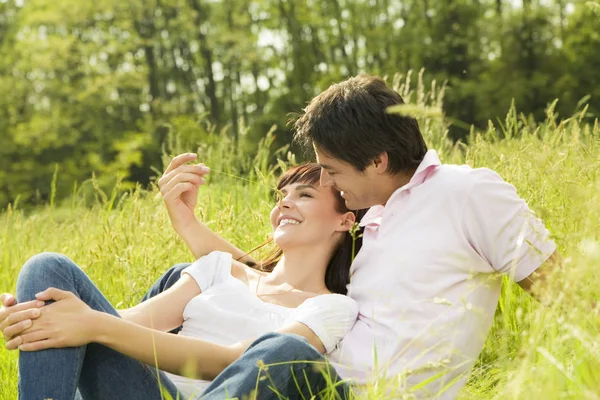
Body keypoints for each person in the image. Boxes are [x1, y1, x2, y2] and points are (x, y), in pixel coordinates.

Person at [3, 74, 559, 399]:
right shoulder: (374, 219)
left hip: (325, 386)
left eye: (332, 175)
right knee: (48, 273)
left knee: (287, 353)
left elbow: (564, 287)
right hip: (270, 376)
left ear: (379, 159)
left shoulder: (467, 195)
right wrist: (192, 232)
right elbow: (266, 280)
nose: (327, 185)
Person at [0, 162, 362, 400]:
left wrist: (93, 324)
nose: (285, 204)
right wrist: (38, 316)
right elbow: (128, 324)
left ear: (344, 221)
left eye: (305, 195)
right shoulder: (219, 268)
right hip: (151, 393)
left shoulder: (330, 306)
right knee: (47, 269)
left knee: (285, 352)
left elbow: (237, 362)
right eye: (282, 196)